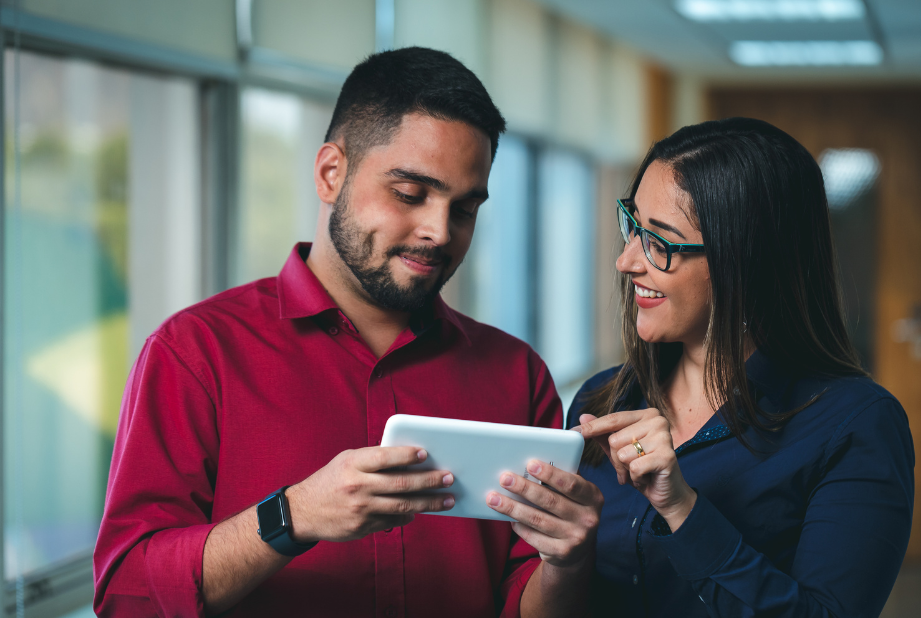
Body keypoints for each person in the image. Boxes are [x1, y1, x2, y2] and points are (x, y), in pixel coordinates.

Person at [94, 47, 602, 618]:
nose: (438, 231)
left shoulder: (517, 374)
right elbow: (126, 595)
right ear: (331, 173)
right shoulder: (195, 353)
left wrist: (567, 562)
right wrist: (295, 516)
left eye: (464, 209)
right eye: (410, 194)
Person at [568, 117, 914, 617]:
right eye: (634, 226)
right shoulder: (603, 399)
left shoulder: (858, 426)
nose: (626, 261)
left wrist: (682, 510)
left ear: (746, 262)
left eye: (660, 241)